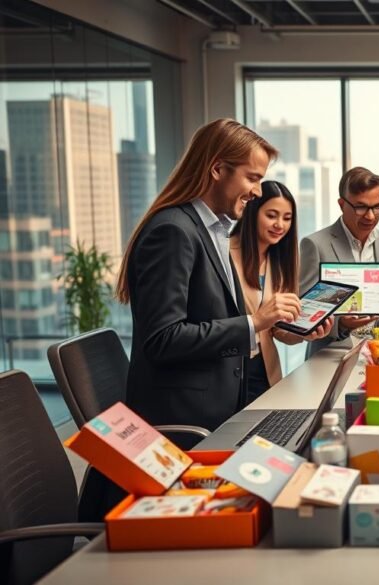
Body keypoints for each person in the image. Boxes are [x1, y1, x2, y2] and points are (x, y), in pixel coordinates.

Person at [116, 119, 301, 431]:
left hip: (222, 411)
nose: (257, 191)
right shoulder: (173, 231)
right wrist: (253, 322)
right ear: (217, 170)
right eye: (252, 178)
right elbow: (163, 339)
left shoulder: (213, 230)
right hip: (187, 424)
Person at [228, 181, 334, 405]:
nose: (280, 225)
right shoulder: (224, 253)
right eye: (272, 215)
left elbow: (277, 329)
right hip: (229, 370)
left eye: (287, 218)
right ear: (253, 212)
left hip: (265, 371)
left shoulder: (279, 260)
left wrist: (306, 332)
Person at [299, 166, 379, 357]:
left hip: (377, 353)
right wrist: (341, 323)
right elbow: (305, 312)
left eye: (377, 207)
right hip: (331, 354)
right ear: (342, 204)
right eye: (361, 207)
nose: (370, 216)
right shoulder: (315, 244)